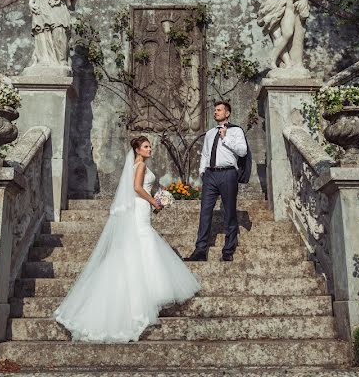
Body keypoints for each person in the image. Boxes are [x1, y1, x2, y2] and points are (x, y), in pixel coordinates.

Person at [53, 136, 200, 342]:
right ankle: (143, 298)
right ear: (138, 150)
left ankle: (146, 293)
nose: (150, 149)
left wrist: (158, 198)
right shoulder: (139, 166)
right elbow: (137, 188)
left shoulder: (138, 165)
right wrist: (155, 202)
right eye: (146, 147)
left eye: (150, 146)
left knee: (141, 246)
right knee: (145, 242)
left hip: (141, 208)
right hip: (140, 207)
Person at [186, 101, 249, 262]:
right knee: (205, 211)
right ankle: (200, 250)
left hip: (228, 173)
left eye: (219, 110)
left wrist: (226, 138)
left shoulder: (236, 131)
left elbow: (243, 151)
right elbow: (205, 154)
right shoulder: (209, 133)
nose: (216, 112)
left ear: (227, 113)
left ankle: (228, 250)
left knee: (229, 212)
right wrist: (202, 171)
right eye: (215, 110)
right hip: (210, 175)